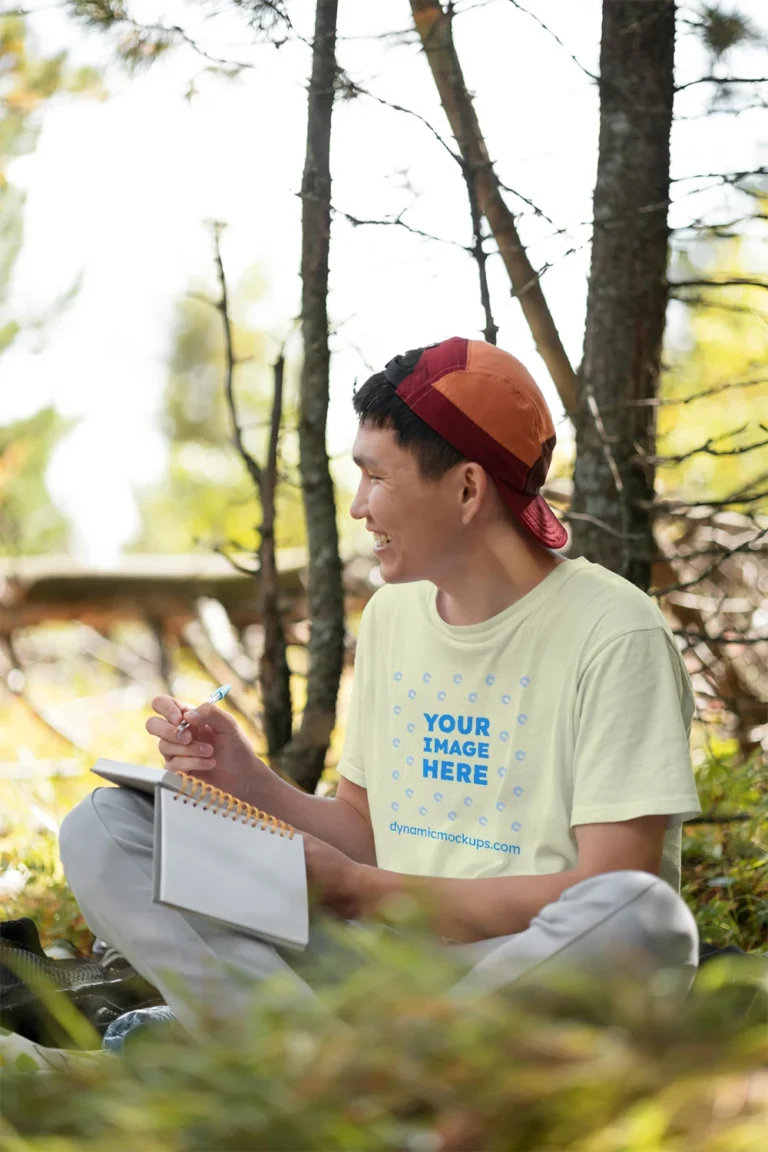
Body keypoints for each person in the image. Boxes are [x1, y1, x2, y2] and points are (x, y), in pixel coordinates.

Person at [60, 337, 702, 1026]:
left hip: (519, 968)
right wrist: (245, 780)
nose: (359, 506)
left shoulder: (614, 632)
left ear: (466, 488)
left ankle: (307, 1058)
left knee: (639, 914)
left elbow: (609, 884)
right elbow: (367, 831)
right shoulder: (395, 614)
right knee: (104, 827)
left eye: (376, 477)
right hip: (373, 960)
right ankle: (311, 1056)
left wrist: (368, 893)